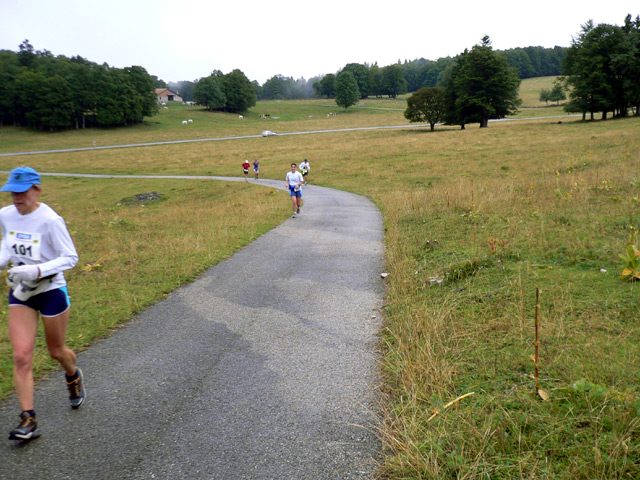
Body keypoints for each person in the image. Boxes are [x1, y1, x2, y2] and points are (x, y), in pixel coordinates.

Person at [0, 167, 84, 441]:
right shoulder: (5, 215)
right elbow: (8, 245)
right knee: (21, 356)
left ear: (37, 190)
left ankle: (73, 375)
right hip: (22, 292)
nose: (17, 197)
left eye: (23, 192)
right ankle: (28, 419)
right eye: (13, 192)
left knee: (56, 351)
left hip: (51, 289)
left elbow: (70, 257)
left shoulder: (50, 220)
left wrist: (36, 271)